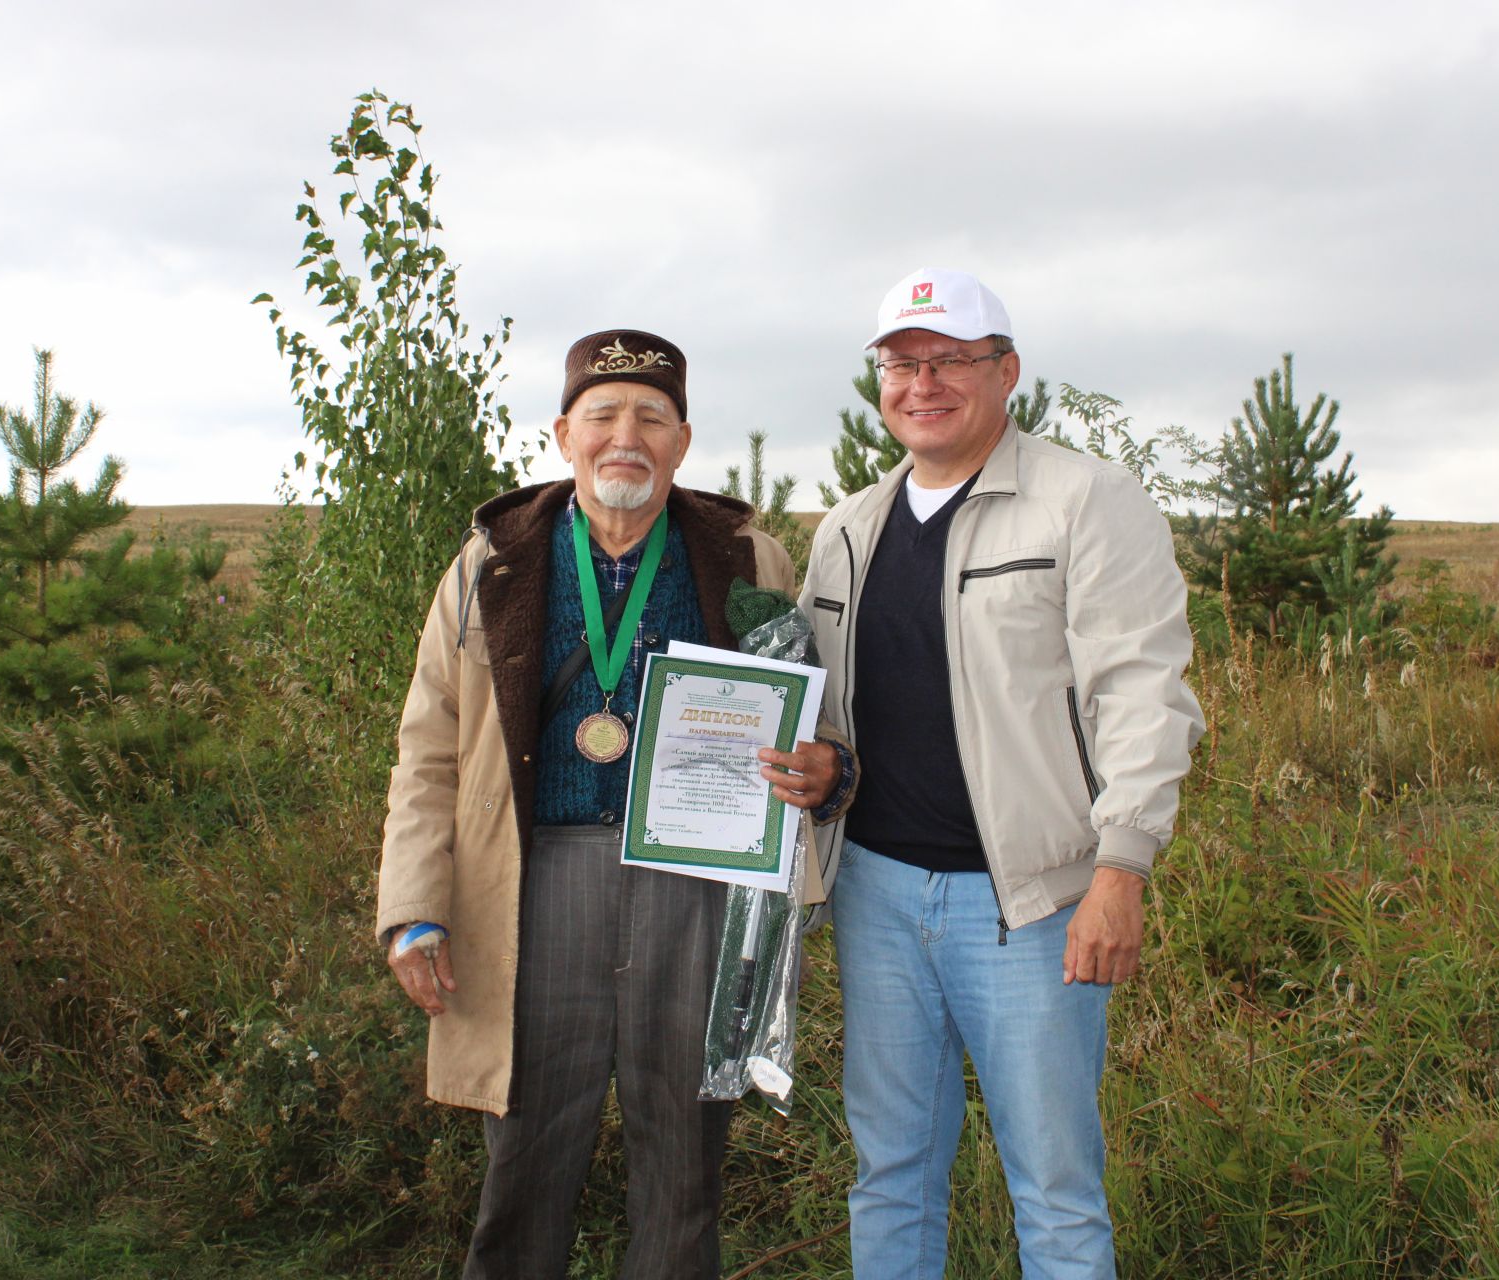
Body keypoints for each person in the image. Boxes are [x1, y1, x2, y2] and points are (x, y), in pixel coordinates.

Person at [378, 329, 852, 1279]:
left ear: (682, 440)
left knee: (685, 1167)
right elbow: (427, 749)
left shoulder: (747, 559)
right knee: (524, 1163)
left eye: (651, 416)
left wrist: (825, 769)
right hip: (530, 886)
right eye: (602, 415)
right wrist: (412, 908)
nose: (624, 436)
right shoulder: (491, 563)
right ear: (564, 434)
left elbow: (813, 716)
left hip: (695, 890)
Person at [799, 270, 1204, 1277]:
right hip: (877, 895)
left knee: (1055, 1189)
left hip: (1032, 907)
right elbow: (839, 721)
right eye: (900, 361)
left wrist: (1122, 868)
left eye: (949, 359)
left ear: (1005, 370)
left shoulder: (1087, 502)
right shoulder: (845, 531)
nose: (921, 381)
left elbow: (1144, 695)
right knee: (889, 1170)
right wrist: (819, 768)